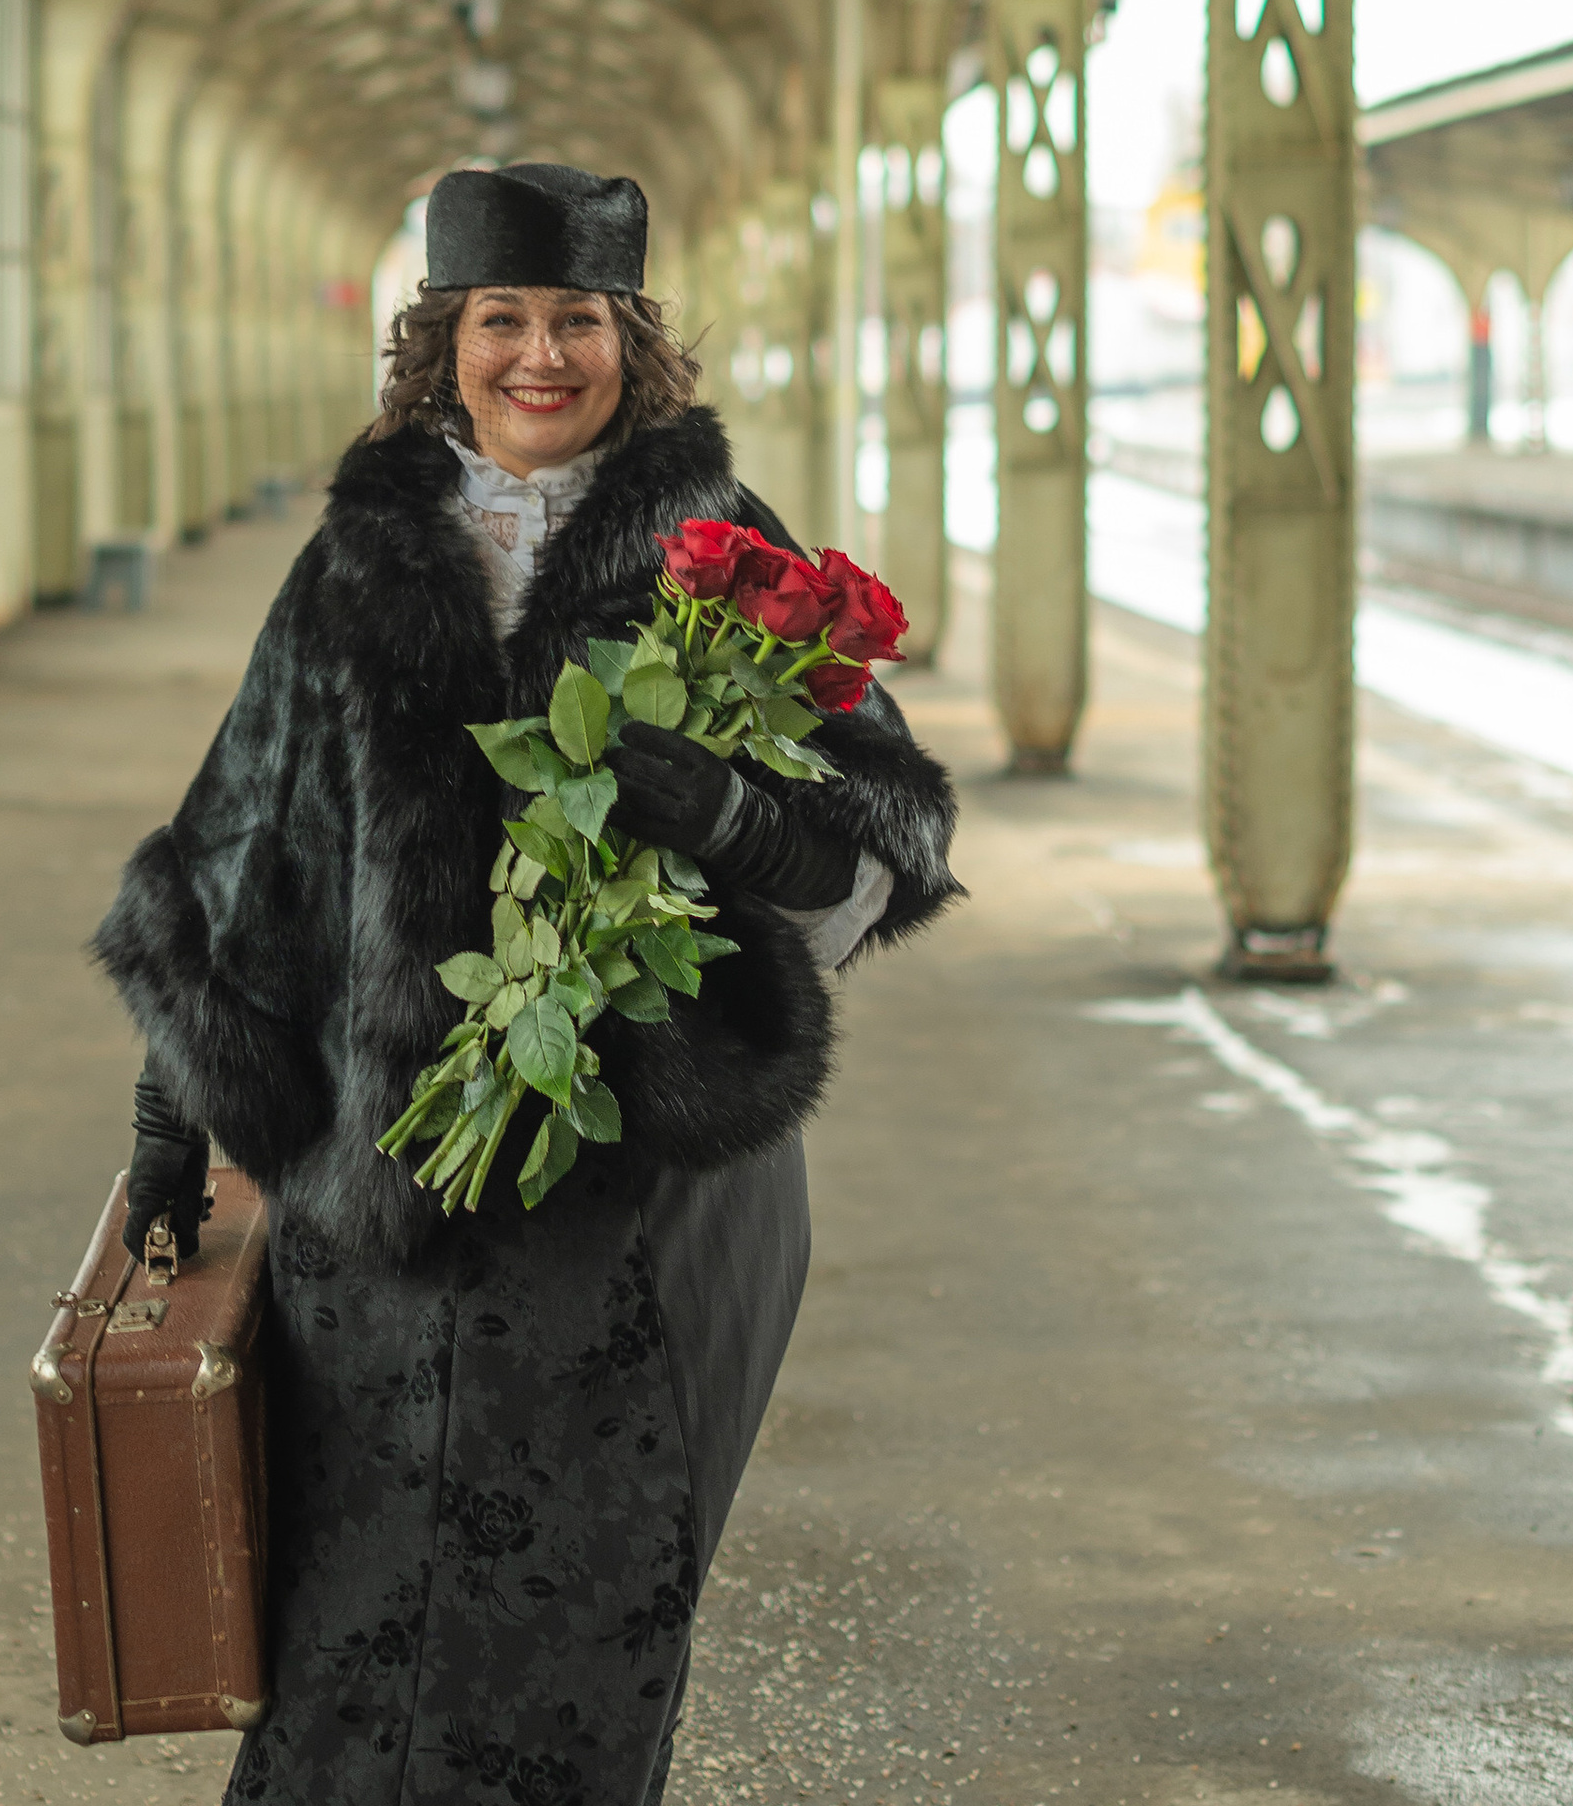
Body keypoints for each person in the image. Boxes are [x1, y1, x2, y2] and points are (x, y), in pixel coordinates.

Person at [94, 162, 960, 1805]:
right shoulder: (357, 562)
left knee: (590, 1632)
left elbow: (886, 839)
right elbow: (240, 856)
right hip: (380, 1196)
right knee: (349, 1629)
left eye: (580, 319)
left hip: (650, 1201)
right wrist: (165, 1115)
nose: (541, 357)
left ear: (634, 339)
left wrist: (722, 813)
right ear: (444, 338)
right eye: (504, 319)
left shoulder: (719, 553)